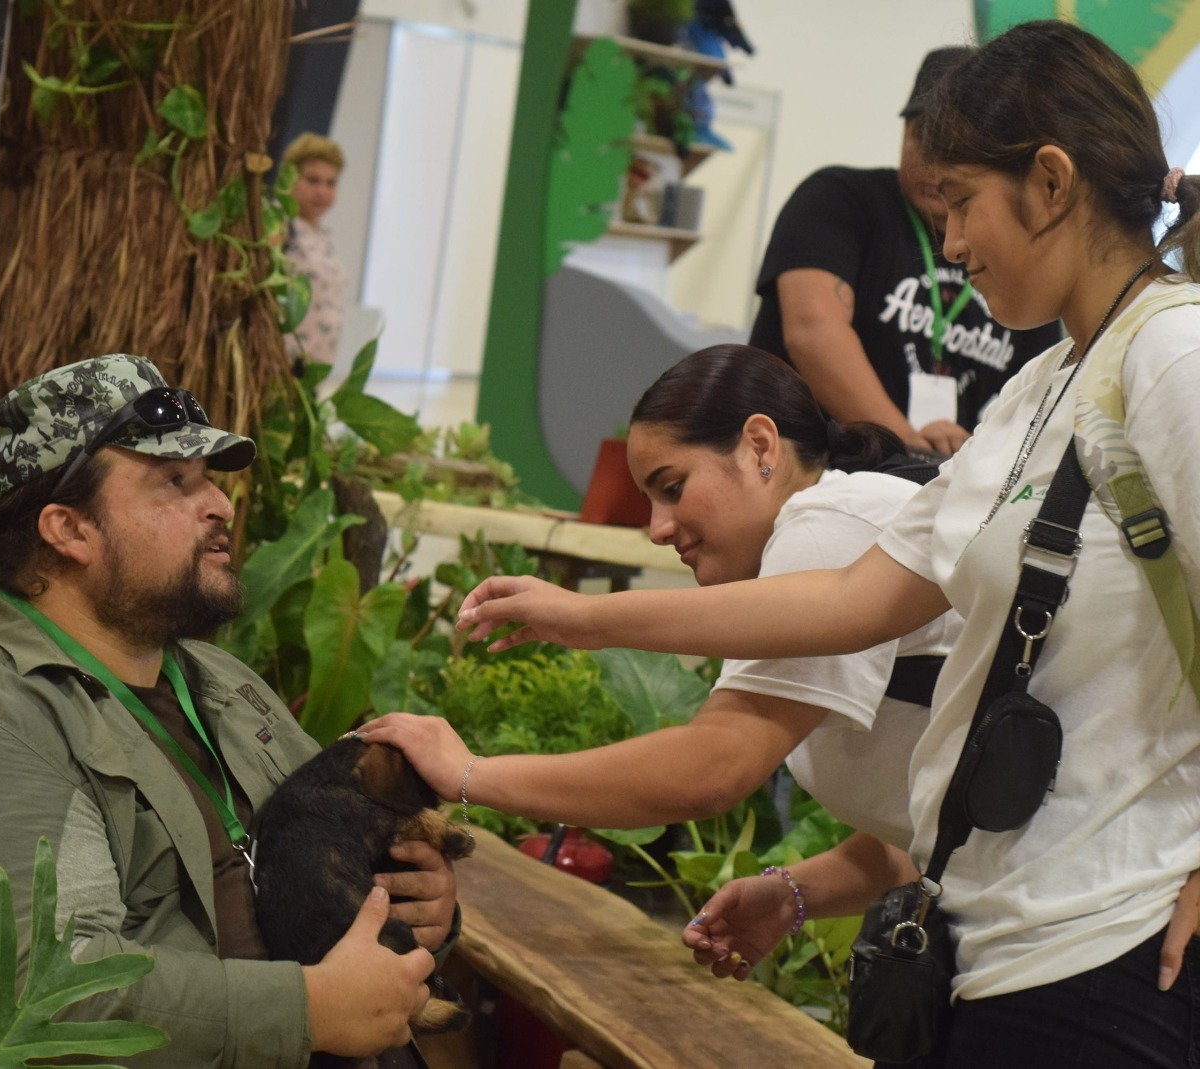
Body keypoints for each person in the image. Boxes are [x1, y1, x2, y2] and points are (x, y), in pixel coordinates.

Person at [457, 21, 1200, 1065]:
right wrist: (576, 616)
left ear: (1048, 183)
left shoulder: (1172, 353)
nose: (948, 244)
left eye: (960, 204)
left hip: (1109, 940)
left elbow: (722, 750)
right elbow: (852, 599)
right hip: (992, 939)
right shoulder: (1038, 388)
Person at [0, 354, 458, 1069]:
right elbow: (50, 995)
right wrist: (305, 1010)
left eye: (211, 479)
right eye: (174, 483)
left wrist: (422, 904)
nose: (220, 504)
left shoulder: (218, 680)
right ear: (70, 529)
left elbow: (340, 833)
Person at [361, 344, 961, 901]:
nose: (657, 528)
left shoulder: (828, 519)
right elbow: (937, 820)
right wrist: (792, 896)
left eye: (673, 487)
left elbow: (713, 767)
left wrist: (469, 774)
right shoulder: (835, 523)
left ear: (760, 447)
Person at [748, 46, 1062, 456]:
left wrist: (976, 459)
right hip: (810, 472)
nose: (933, 164)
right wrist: (906, 450)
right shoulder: (838, 199)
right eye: (922, 137)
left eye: (957, 147)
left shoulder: (1023, 250)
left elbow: (1039, 396)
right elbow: (812, 330)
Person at [281, 133, 347, 367]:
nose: (322, 191)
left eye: (330, 183)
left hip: (313, 368)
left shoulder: (321, 235)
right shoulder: (281, 225)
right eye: (313, 180)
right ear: (291, 177)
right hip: (282, 364)